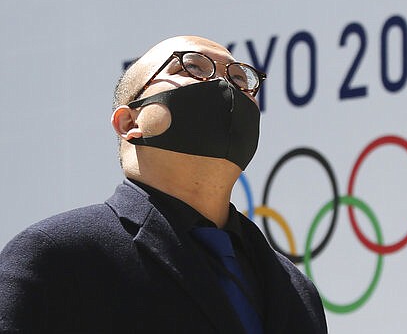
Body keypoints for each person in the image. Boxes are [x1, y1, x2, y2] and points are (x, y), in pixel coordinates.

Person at [0, 36, 328, 333]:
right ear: (130, 122)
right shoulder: (56, 257)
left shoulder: (295, 289)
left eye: (240, 78)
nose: (224, 85)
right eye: (193, 67)